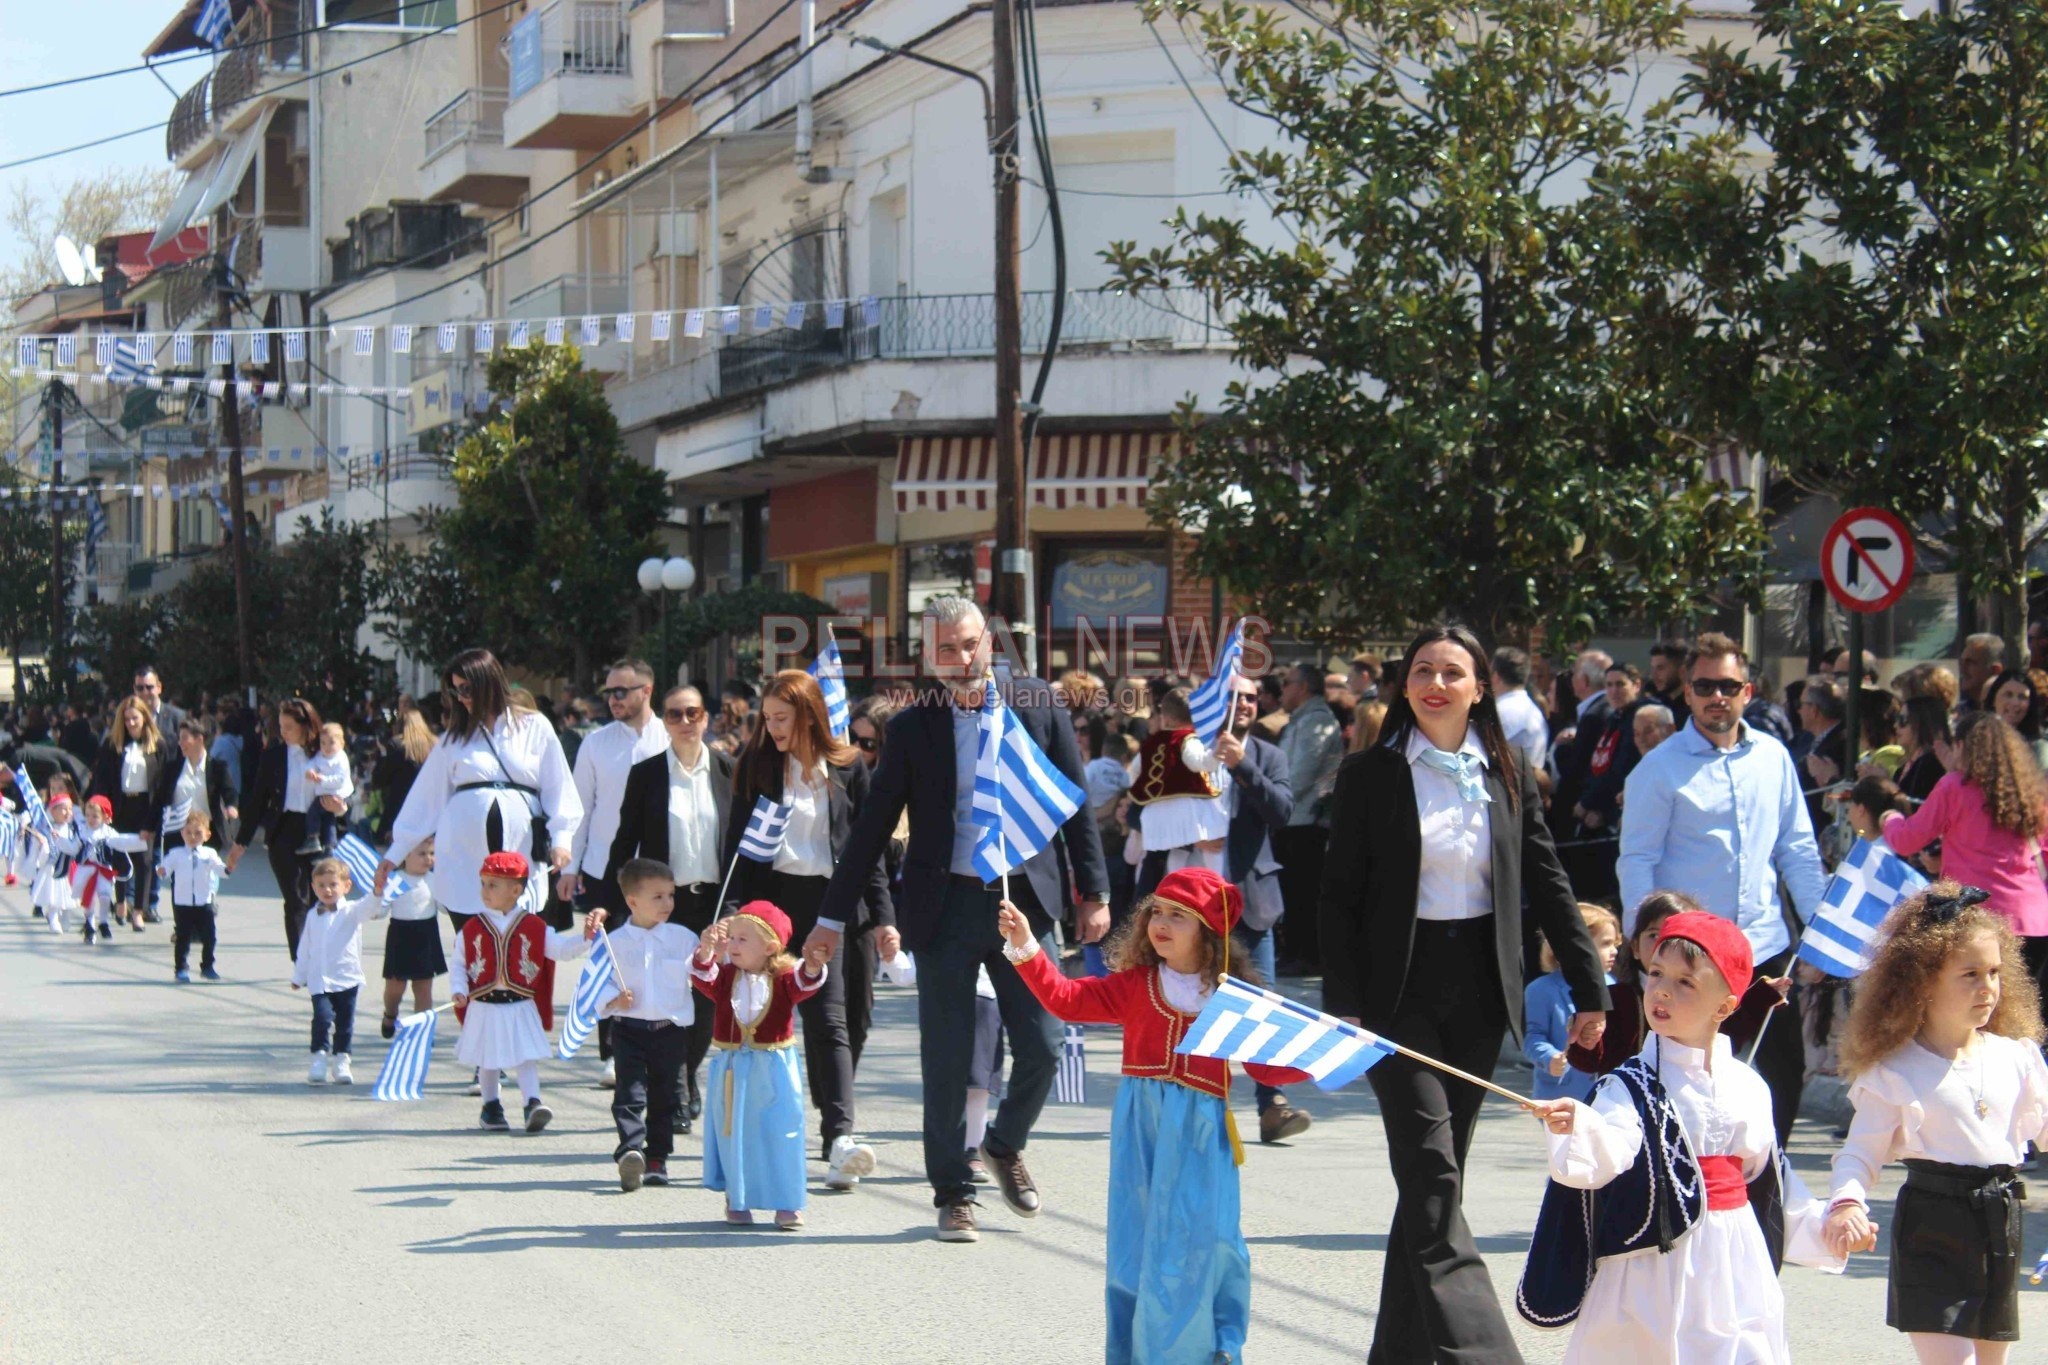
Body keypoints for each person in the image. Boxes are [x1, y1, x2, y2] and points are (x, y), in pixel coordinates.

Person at [1319, 624, 1611, 1363]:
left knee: (1431, 1189)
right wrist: (1343, 1001)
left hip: (1480, 992)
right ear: (1403, 684)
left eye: (1452, 671)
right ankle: (1482, 1352)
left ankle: (1398, 1354)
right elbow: (1338, 896)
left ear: (1480, 686)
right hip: (1397, 995)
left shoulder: (1507, 768)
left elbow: (1547, 881)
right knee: (1431, 1170)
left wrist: (1590, 986)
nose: (1435, 684)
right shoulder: (1370, 774)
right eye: (1422, 670)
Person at [815, 593, 1110, 1242]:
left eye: (971, 643)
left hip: (1022, 903)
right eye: (947, 648)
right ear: (930, 657)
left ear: (991, 642)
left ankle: (1003, 1143)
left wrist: (1094, 890)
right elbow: (869, 830)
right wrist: (831, 917)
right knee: (947, 1059)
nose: (963, 657)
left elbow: (1075, 803)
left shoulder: (1035, 706)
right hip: (943, 906)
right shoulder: (916, 726)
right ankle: (954, 1190)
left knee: (1044, 1042)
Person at [996, 868, 1308, 1364]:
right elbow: (1066, 999)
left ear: (1206, 930)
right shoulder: (1137, 983)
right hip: (1141, 1126)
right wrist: (1026, 945)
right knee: (1136, 1245)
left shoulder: (1231, 998)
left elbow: (1266, 1065)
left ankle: (1211, 1348)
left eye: (1178, 916)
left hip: (1202, 1131)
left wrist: (1324, 1054)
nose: (1160, 923)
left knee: (1206, 1241)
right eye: (1156, 912)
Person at [1520, 912, 1840, 1363]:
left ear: (1726, 1007)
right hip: (1653, 1263)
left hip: (1733, 1262)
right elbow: (1610, 1149)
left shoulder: (1749, 1086)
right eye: (1656, 974)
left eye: (1686, 982)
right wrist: (1579, 1124)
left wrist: (1827, 1227)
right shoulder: (1629, 1083)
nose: (1662, 991)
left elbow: (1771, 1182)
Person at [1617, 631, 1828, 1145]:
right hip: (1692, 961)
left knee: (1778, 1080)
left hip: (1764, 952)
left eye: (1728, 686)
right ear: (1686, 693)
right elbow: (1637, 860)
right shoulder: (1659, 768)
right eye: (1705, 685)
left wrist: (1820, 936)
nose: (1717, 697)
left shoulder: (1774, 758)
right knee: (1692, 1091)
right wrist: (1645, 948)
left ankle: (1764, 1192)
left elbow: (1797, 850)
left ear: (1747, 692)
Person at [1825, 884, 2048, 1364]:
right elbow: (1861, 1152)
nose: (1987, 987)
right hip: (1932, 1224)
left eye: (1994, 972)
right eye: (1969, 974)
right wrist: (1845, 1204)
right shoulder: (1896, 1069)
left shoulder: (2017, 1057)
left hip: (1999, 1220)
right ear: (1922, 981)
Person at [722, 668, 890, 1191]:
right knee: (768, 1021)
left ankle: (838, 1136)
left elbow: (868, 852)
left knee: (834, 1018)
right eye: (767, 718)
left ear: (810, 716)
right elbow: (738, 847)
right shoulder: (756, 765)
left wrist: (884, 919)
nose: (772, 728)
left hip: (831, 904)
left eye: (782, 719)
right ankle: (782, 1135)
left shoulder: (847, 768)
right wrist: (731, 913)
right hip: (771, 906)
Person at [375, 648, 583, 938]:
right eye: (456, 691)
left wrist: (562, 839)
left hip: (520, 846)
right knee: (474, 946)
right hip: (464, 856)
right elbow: (426, 798)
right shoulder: (454, 739)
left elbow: (558, 787)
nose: (462, 698)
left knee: (518, 940)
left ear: (489, 683)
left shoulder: (533, 726)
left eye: (467, 689)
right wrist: (396, 853)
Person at [608, 683, 733, 1131]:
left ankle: (684, 1076)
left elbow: (739, 846)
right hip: (665, 904)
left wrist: (734, 909)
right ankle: (675, 1091)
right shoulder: (647, 775)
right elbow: (625, 843)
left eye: (693, 713)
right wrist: (614, 904)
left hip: (714, 904)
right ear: (664, 720)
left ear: (706, 718)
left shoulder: (727, 770)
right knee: (667, 998)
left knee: (705, 1002)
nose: (684, 722)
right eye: (675, 714)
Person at [1208, 673, 1311, 1143]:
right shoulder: (1191, 754)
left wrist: (1243, 766)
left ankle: (1272, 1105)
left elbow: (1282, 811)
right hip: (1197, 904)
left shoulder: (1269, 756)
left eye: (1251, 697)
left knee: (1263, 1007)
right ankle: (1199, 1102)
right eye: (1234, 697)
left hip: (1252, 903)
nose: (1245, 704)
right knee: (1195, 1009)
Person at [1878, 717, 2048, 994]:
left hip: (1978, 919)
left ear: (1961, 747)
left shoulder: (1955, 786)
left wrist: (1890, 818)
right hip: (2034, 921)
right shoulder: (2032, 792)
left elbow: (1907, 841)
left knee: (1977, 1016)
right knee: (2022, 1021)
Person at [690, 899, 832, 1229]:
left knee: (780, 1133)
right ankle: (737, 1198)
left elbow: (805, 983)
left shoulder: (783, 979)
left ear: (769, 947)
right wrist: (706, 951)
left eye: (742, 939)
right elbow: (702, 977)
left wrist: (812, 965)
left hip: (774, 1070)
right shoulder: (725, 976)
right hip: (733, 1069)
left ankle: (787, 1201)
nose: (732, 945)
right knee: (737, 1133)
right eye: (731, 937)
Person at [562, 658, 669, 1086]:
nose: (612, 700)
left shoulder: (668, 737)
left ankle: (664, 1047)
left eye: (621, 691)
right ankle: (613, 1052)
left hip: (662, 868)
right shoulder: (595, 744)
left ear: (647, 690)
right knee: (613, 958)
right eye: (608, 692)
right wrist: (569, 865)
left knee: (662, 956)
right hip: (608, 868)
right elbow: (580, 809)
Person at [449, 850, 601, 1133]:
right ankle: (491, 1106)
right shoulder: (471, 928)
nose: (485, 891)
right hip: (484, 1004)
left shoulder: (534, 926)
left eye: (492, 885)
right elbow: (459, 963)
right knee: (488, 1059)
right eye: (483, 883)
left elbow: (560, 950)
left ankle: (533, 1102)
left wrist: (585, 940)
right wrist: (458, 989)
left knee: (525, 1057)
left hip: (520, 1004)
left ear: (516, 890)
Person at [602, 857, 703, 1192]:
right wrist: (615, 1001)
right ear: (633, 901)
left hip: (669, 1031)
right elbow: (596, 987)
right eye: (658, 897)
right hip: (628, 1030)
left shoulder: (683, 938)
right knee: (628, 1094)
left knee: (666, 1097)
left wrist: (711, 952)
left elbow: (704, 974)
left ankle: (658, 1158)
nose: (668, 903)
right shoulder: (614, 942)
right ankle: (631, 1150)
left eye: (671, 895)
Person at [228, 698, 337, 957]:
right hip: (283, 831)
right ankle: (300, 960)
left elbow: (343, 787)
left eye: (289, 726)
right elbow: (257, 801)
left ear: (306, 726)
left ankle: (319, 953)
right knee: (295, 899)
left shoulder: (323, 754)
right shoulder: (274, 756)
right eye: (281, 726)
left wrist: (339, 805)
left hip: (315, 831)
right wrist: (240, 842)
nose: (283, 732)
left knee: (317, 897)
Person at [289, 857, 392, 1086]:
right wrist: (299, 975)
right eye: (321, 885)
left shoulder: (352, 912)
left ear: (346, 886)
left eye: (333, 884)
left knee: (345, 1024)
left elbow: (370, 906)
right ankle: (318, 1058)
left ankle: (342, 1061)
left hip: (347, 979)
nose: (327, 890)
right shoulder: (312, 916)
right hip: (320, 980)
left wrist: (376, 890)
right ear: (313, 887)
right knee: (322, 1019)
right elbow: (304, 948)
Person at [1274, 662, 1344, 972]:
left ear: (1303, 687)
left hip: (1304, 822)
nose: (1283, 690)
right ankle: (1295, 952)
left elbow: (1300, 774)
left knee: (1302, 893)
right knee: (1293, 891)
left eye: (1287, 683)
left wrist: (1275, 798)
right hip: (1293, 820)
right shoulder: (1301, 720)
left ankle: (1306, 956)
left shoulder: (1316, 721)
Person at [1525, 902, 1622, 1102]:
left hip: (1606, 1095)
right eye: (1605, 943)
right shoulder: (1541, 989)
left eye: (1615, 944)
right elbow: (1532, 1037)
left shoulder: (1614, 986)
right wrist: (1549, 1058)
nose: (1614, 951)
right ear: (1576, 947)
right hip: (1562, 1095)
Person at [1131, 686, 1231, 878]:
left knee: (1177, 854)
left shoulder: (1151, 743)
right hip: (1189, 805)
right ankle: (1219, 884)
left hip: (1160, 809)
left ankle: (1176, 885)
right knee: (1212, 846)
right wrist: (1216, 755)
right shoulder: (1187, 740)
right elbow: (1200, 762)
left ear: (1165, 717)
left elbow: (1134, 771)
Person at [89, 695, 167, 929]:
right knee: (120, 856)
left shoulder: (158, 746)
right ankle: (121, 900)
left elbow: (162, 784)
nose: (131, 723)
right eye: (127, 719)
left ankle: (139, 911)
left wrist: (155, 820)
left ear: (145, 718)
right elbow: (102, 779)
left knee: (144, 861)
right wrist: (101, 808)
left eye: (135, 718)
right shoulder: (112, 745)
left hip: (146, 807)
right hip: (120, 806)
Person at [377, 838, 444, 1038]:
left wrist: (452, 893)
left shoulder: (433, 880)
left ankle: (421, 1032)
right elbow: (380, 912)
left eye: (432, 853)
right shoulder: (395, 880)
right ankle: (390, 1014)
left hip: (426, 935)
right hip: (400, 935)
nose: (428, 859)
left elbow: (444, 908)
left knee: (423, 987)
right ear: (405, 856)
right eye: (422, 854)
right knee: (395, 986)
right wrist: (377, 894)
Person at [158, 809, 227, 983]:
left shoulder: (209, 854)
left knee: (209, 936)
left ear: (207, 835)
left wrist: (228, 868)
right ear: (182, 833)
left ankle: (208, 966)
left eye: (198, 833)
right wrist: (161, 870)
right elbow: (165, 870)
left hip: (204, 901)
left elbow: (220, 870)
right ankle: (181, 968)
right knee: (183, 937)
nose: (192, 836)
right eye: (188, 832)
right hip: (183, 903)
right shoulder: (176, 854)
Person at [153, 719, 237, 854]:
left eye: (185, 738)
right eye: (179, 739)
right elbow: (160, 798)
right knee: (180, 873)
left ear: (199, 740)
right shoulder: (172, 768)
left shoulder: (216, 767)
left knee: (205, 872)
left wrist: (231, 806)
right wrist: (149, 827)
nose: (180, 743)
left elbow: (229, 791)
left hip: (206, 833)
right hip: (178, 833)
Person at [1490, 646, 1550, 792]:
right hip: (1529, 793)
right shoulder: (1534, 711)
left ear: (1496, 676)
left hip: (1508, 795)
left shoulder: (1500, 712)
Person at [370, 708, 432, 844]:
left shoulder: (396, 745)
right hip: (428, 813)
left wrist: (383, 753)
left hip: (399, 811)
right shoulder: (435, 744)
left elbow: (379, 780)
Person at [296, 722, 354, 856]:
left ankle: (312, 837)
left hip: (335, 794)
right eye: (323, 743)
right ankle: (330, 847)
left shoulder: (340, 758)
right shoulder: (320, 756)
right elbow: (312, 764)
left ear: (341, 743)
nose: (327, 747)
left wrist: (321, 779)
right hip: (325, 793)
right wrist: (309, 771)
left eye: (331, 743)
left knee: (313, 813)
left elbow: (340, 780)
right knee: (329, 820)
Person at [1897, 695, 1954, 805]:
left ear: (1922, 722)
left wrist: (1887, 786)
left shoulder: (1932, 764)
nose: (1896, 725)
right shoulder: (1904, 767)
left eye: (1903, 720)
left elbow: (1919, 807)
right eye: (1896, 718)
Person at [1986, 671, 2048, 770]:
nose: (2015, 702)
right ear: (1993, 699)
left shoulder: (2039, 748)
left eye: (2022, 697)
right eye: (2008, 695)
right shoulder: (1975, 740)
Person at [1960, 633, 2006, 713]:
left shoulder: (2010, 715)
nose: (1962, 669)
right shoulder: (1958, 714)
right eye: (1961, 662)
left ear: (1996, 670)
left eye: (1970, 662)